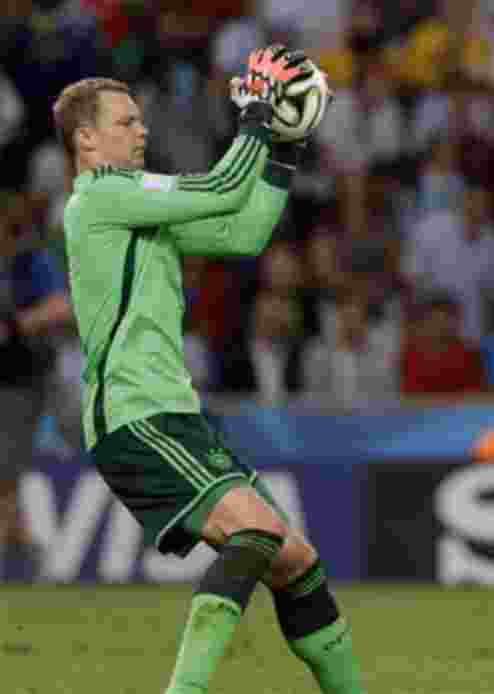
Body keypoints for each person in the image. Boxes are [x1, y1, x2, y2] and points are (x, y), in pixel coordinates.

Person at [56, 46, 365, 694]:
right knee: (253, 531)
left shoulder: (137, 206)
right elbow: (224, 187)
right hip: (136, 415)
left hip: (171, 414)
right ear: (86, 139)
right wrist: (255, 116)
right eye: (125, 122)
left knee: (295, 560)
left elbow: (242, 233)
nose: (141, 131)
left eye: (140, 121)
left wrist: (285, 148)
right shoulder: (101, 196)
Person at [0, 191, 75, 580]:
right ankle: (22, 551)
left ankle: (21, 551)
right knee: (5, 474)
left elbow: (62, 307)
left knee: (6, 468)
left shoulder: (30, 260)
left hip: (34, 376)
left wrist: (16, 326)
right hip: (8, 382)